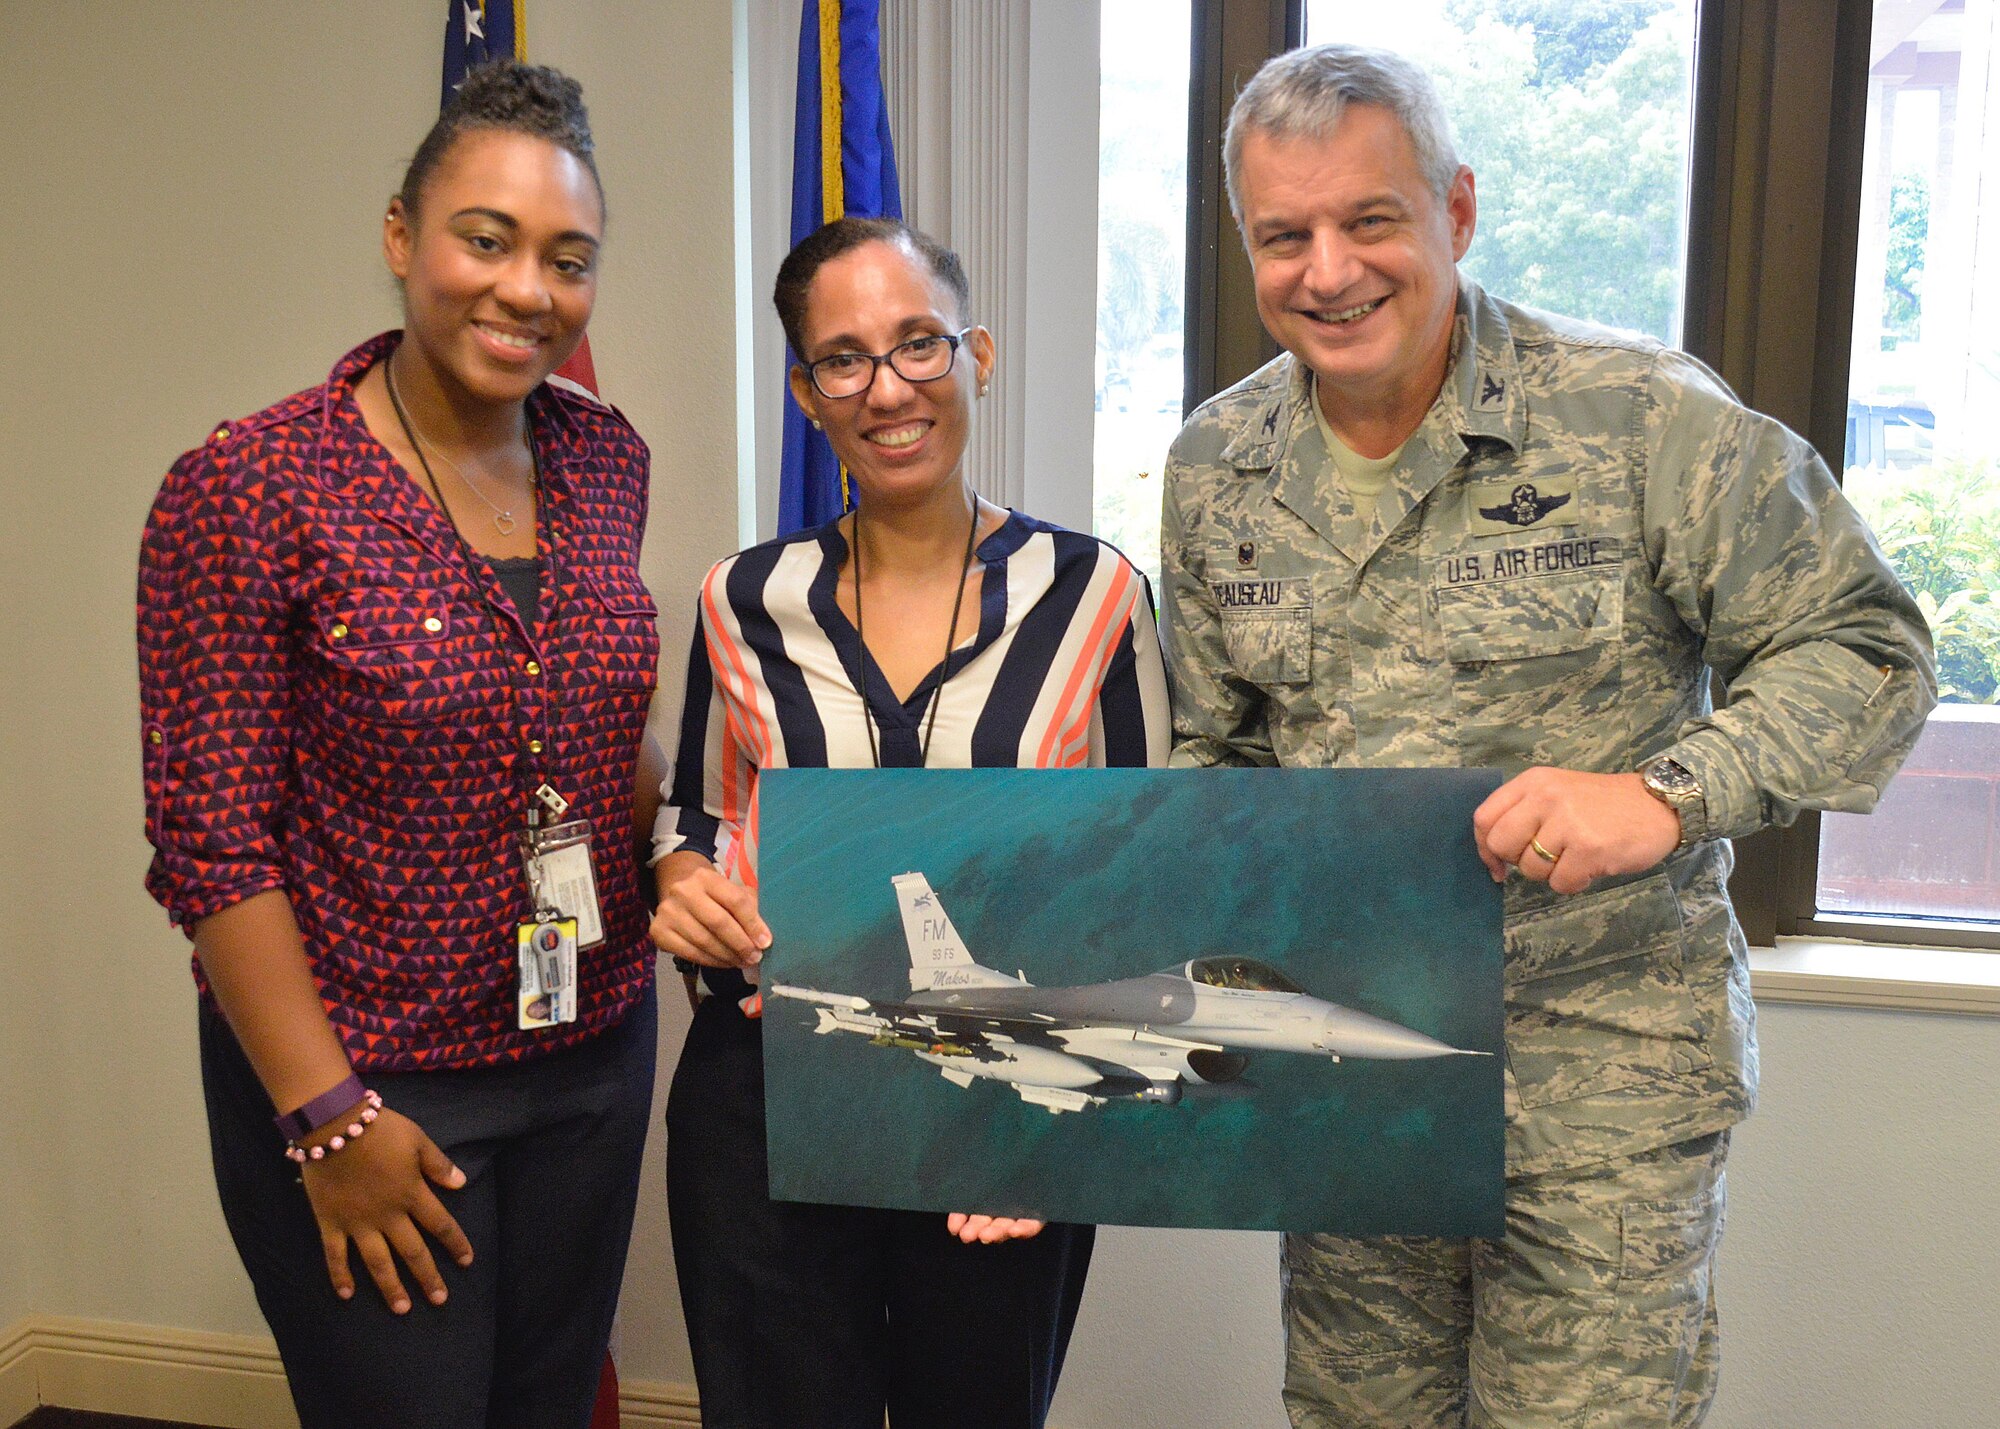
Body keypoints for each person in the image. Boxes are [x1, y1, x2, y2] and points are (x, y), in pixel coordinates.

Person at [1159, 43, 1937, 1428]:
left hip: (1602, 1087)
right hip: (1356, 1077)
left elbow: (1868, 650)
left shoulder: (1639, 418)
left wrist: (1666, 793)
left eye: (1371, 220)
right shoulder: (1218, 467)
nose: (1329, 271)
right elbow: (1217, 762)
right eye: (1286, 237)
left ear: (1455, 211)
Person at [137, 61, 658, 1429]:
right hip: (377, 1088)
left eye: (568, 258)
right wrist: (330, 1117)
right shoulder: (249, 484)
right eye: (484, 239)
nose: (525, 288)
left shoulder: (608, 463)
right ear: (399, 239)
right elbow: (210, 843)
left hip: (592, 1051)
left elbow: (601, 737)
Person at [650, 215, 1170, 1429]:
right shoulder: (741, 600)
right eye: (844, 358)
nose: (887, 388)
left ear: (974, 355)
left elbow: (1148, 874)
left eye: (917, 344)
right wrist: (683, 883)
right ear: (807, 390)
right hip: (768, 1096)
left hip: (1000, 1098)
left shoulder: (1094, 596)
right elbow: (693, 817)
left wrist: (1060, 1121)